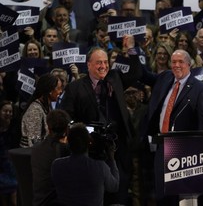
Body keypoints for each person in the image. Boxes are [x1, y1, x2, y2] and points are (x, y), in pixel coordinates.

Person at [59, 35, 142, 205]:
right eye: (99, 63)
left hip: (118, 147)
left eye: (105, 62)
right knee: (96, 195)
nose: (103, 66)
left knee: (119, 192)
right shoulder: (75, 87)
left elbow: (136, 73)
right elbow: (67, 116)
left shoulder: (115, 78)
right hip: (91, 151)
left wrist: (132, 49)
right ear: (88, 64)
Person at [141, 49, 203, 205]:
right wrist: (133, 53)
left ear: (189, 64)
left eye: (180, 62)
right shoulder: (166, 79)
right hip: (162, 146)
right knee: (162, 196)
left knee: (181, 198)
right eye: (174, 62)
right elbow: (143, 75)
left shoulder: (200, 89)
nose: (176, 65)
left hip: (185, 151)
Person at [51, 123, 119, 206]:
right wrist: (112, 158)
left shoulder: (56, 165)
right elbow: (114, 187)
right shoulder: (99, 167)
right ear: (89, 142)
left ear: (68, 142)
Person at [31, 109, 71, 206]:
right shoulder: (67, 152)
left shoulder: (36, 149)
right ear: (66, 129)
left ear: (48, 127)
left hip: (39, 202)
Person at [20, 73, 62, 148]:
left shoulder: (47, 106)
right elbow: (34, 142)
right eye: (58, 88)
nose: (61, 91)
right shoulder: (35, 110)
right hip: (30, 156)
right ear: (50, 90)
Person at [0, 101, 20, 206]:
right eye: (5, 111)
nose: (8, 113)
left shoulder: (14, 126)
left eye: (10, 111)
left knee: (13, 199)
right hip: (1, 166)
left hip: (11, 165)